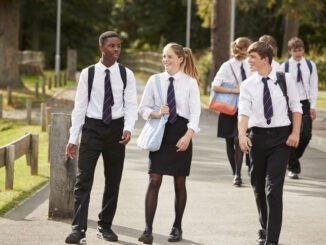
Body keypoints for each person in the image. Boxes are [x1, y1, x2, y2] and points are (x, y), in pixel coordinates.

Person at [64, 31, 138, 244]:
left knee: (113, 180)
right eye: (112, 46)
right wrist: (73, 138)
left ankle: (105, 226)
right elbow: (79, 107)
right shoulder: (88, 74)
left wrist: (128, 128)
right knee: (83, 180)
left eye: (119, 46)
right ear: (102, 48)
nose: (116, 49)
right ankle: (78, 229)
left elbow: (131, 105)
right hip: (92, 128)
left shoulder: (126, 74)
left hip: (116, 130)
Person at [238, 41, 302, 245]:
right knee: (258, 186)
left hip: (280, 139)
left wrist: (295, 133)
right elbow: (243, 113)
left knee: (273, 189)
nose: (249, 60)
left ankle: (272, 240)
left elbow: (296, 108)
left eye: (253, 57)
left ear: (265, 59)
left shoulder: (286, 79)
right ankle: (264, 227)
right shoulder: (248, 85)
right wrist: (242, 135)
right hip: (256, 138)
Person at [138, 42, 201, 244]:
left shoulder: (190, 83)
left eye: (169, 57)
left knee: (179, 182)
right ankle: (148, 229)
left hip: (181, 133)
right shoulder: (154, 80)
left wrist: (188, 136)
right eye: (163, 56)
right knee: (154, 179)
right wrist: (157, 113)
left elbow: (195, 114)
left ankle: (177, 227)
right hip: (161, 133)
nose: (165, 60)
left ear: (181, 58)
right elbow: (143, 108)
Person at [211, 37, 252, 186]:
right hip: (229, 108)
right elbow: (215, 86)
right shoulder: (227, 66)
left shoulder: (251, 65)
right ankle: (236, 171)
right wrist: (234, 90)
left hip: (246, 107)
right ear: (245, 49)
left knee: (238, 139)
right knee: (230, 140)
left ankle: (238, 173)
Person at [280, 36, 319, 179]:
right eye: (295, 51)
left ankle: (291, 158)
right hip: (290, 103)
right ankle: (293, 167)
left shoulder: (310, 65)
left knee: (306, 135)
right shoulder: (284, 66)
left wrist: (312, 106)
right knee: (291, 133)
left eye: (300, 50)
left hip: (305, 102)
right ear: (290, 51)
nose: (298, 53)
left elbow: (313, 85)